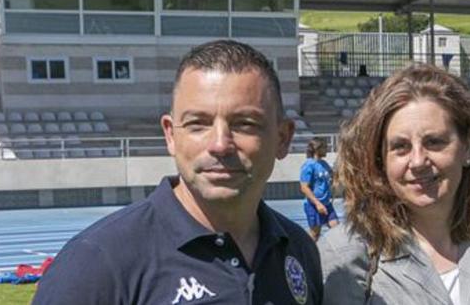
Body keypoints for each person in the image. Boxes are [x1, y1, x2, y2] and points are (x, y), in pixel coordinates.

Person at [34, 40, 323, 304]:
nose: (220, 145)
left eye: (244, 123)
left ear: (282, 138)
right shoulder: (97, 264)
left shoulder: (299, 249)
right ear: (171, 136)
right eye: (198, 123)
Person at [319, 64, 470, 305]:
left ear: (467, 149)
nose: (418, 161)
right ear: (381, 160)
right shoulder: (346, 253)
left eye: (434, 142)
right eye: (401, 147)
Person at [300, 137, 338, 240]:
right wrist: (318, 204)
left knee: (336, 229)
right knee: (315, 235)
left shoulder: (324, 164)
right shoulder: (308, 166)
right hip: (313, 205)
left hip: (327, 204)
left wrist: (335, 178)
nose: (327, 149)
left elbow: (333, 175)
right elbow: (304, 187)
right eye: (325, 147)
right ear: (317, 149)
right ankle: (305, 252)